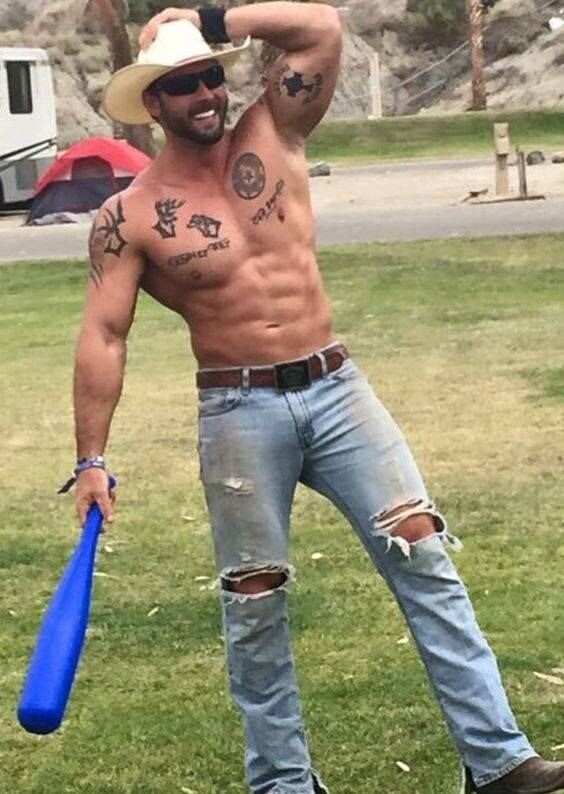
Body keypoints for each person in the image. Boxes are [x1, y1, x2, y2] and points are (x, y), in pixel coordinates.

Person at [68, 4, 564, 793]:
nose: (205, 93)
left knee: (421, 549)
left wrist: (210, 16)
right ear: (153, 103)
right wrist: (90, 459)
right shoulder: (128, 217)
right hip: (238, 409)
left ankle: (497, 760)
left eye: (210, 75)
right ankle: (283, 783)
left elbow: (322, 29)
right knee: (254, 600)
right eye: (183, 84)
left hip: (336, 387)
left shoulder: (276, 129)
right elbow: (104, 335)